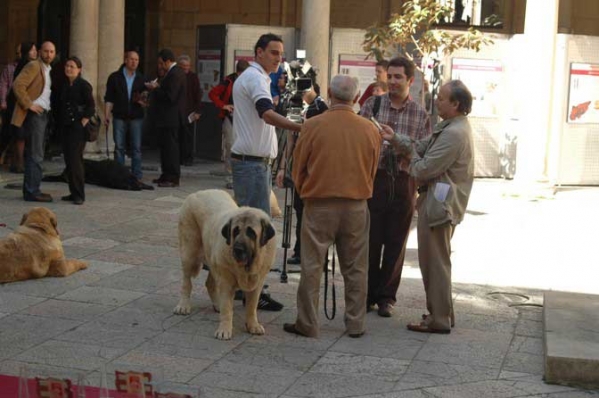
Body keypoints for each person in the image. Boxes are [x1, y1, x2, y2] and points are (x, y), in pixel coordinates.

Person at [283, 75, 381, 338]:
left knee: (312, 266)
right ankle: (356, 324)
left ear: (328, 93)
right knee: (356, 268)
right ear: (357, 97)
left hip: (319, 205)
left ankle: (308, 323)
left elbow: (298, 167)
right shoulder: (371, 129)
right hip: (357, 206)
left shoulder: (312, 125)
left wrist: (307, 194)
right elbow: (372, 170)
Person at [379, 80, 474, 334]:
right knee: (436, 262)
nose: (437, 101)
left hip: (439, 206)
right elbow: (420, 147)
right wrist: (395, 138)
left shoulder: (454, 133)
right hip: (436, 202)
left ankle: (439, 318)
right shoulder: (451, 126)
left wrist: (409, 157)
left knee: (435, 264)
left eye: (442, 98)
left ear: (456, 104)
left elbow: (423, 167)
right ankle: (443, 313)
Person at [231, 33, 302, 311]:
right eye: (273, 52)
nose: (279, 58)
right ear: (258, 52)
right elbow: (266, 113)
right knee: (257, 233)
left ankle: (242, 286)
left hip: (253, 164)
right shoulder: (256, 78)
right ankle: (252, 291)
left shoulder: (253, 77)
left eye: (281, 53)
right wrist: (300, 127)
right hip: (252, 165)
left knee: (249, 230)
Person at [359, 56, 432, 318]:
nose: (392, 81)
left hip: (403, 181)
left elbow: (423, 153)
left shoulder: (420, 114)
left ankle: (386, 298)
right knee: (370, 238)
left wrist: (397, 143)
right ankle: (366, 294)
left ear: (410, 81)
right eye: (389, 76)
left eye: (398, 77)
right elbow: (359, 140)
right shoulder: (371, 105)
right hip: (375, 178)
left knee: (396, 240)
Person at [275, 82, 328, 265]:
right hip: (298, 167)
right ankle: (299, 250)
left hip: (316, 167)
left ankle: (316, 252)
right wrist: (282, 167)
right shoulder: (295, 106)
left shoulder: (322, 107)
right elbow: (290, 137)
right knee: (299, 209)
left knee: (314, 211)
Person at [11, 41, 55, 202]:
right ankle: (32, 191)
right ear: (39, 52)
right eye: (46, 51)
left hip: (44, 114)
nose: (48, 54)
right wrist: (29, 104)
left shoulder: (48, 69)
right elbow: (18, 85)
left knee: (37, 152)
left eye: (51, 52)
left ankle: (32, 189)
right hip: (34, 115)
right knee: (35, 153)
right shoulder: (34, 66)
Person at [145, 48, 187, 187]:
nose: (159, 66)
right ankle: (165, 174)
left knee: (171, 149)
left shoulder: (175, 74)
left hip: (171, 118)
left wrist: (156, 88)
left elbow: (171, 96)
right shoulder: (170, 73)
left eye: (161, 63)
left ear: (168, 61)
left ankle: (173, 177)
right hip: (165, 118)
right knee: (164, 148)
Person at [104, 50, 148, 182]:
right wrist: (106, 115)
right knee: (119, 147)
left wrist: (144, 100)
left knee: (136, 147)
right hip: (119, 115)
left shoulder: (142, 78)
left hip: (136, 116)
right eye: (132, 59)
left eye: (137, 60)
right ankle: (120, 175)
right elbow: (109, 97)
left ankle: (136, 175)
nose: (134, 62)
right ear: (125, 60)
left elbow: (146, 100)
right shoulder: (114, 77)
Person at [58, 56, 95, 205]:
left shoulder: (83, 85)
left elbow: (91, 107)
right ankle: (73, 192)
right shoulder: (65, 85)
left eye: (72, 66)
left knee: (75, 161)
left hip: (78, 129)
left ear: (79, 69)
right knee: (69, 160)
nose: (69, 69)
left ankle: (79, 194)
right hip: (66, 127)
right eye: (67, 66)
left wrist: (82, 123)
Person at [208, 59, 249, 188]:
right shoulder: (228, 81)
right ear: (237, 72)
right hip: (230, 118)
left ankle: (241, 176)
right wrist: (223, 106)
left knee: (243, 147)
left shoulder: (250, 81)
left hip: (244, 118)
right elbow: (212, 94)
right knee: (230, 146)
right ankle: (230, 177)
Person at [1, 42, 38, 173]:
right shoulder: (23, 66)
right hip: (19, 104)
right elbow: (13, 86)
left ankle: (18, 163)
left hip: (25, 104)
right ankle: (19, 163)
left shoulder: (34, 65)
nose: (35, 53)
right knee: (16, 134)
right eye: (32, 50)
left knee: (21, 135)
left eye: (35, 50)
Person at [177, 54, 202, 166]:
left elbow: (197, 94)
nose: (186, 68)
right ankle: (179, 157)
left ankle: (188, 158)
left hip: (190, 111)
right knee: (178, 135)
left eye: (188, 66)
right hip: (177, 111)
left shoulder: (193, 77)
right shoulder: (176, 76)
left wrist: (198, 111)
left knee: (188, 136)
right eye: (183, 66)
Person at [0, 44, 20, 166]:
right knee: (7, 132)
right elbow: (3, 85)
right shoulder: (10, 68)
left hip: (23, 106)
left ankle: (15, 159)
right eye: (17, 53)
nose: (19, 55)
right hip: (10, 104)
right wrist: (3, 102)